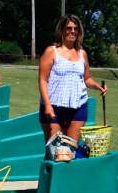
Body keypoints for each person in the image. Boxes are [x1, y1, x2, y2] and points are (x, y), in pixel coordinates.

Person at [38, 14, 107, 143]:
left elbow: (86, 79)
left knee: (70, 152)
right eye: (69, 28)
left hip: (78, 107)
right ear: (62, 30)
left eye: (76, 28)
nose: (73, 31)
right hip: (53, 107)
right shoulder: (51, 51)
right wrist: (47, 105)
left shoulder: (82, 54)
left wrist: (97, 86)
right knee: (55, 152)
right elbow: (43, 80)